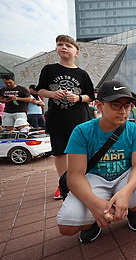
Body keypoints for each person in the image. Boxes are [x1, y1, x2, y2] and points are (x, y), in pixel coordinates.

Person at [56, 80, 136, 244]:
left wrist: (126, 192)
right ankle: (92, 221)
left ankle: (132, 210)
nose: (123, 111)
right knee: (67, 226)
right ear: (99, 105)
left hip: (124, 176)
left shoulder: (134, 130)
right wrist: (94, 204)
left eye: (128, 105)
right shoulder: (82, 131)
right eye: (116, 105)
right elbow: (75, 175)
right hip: (94, 179)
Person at [37, 35, 95, 200]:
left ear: (76, 52)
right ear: (56, 49)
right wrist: (52, 93)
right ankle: (63, 183)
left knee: (81, 152)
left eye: (68, 45)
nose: (63, 47)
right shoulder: (49, 70)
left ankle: (81, 180)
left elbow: (91, 95)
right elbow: (40, 90)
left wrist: (77, 98)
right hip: (57, 119)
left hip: (79, 120)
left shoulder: (82, 74)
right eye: (60, 44)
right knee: (60, 153)